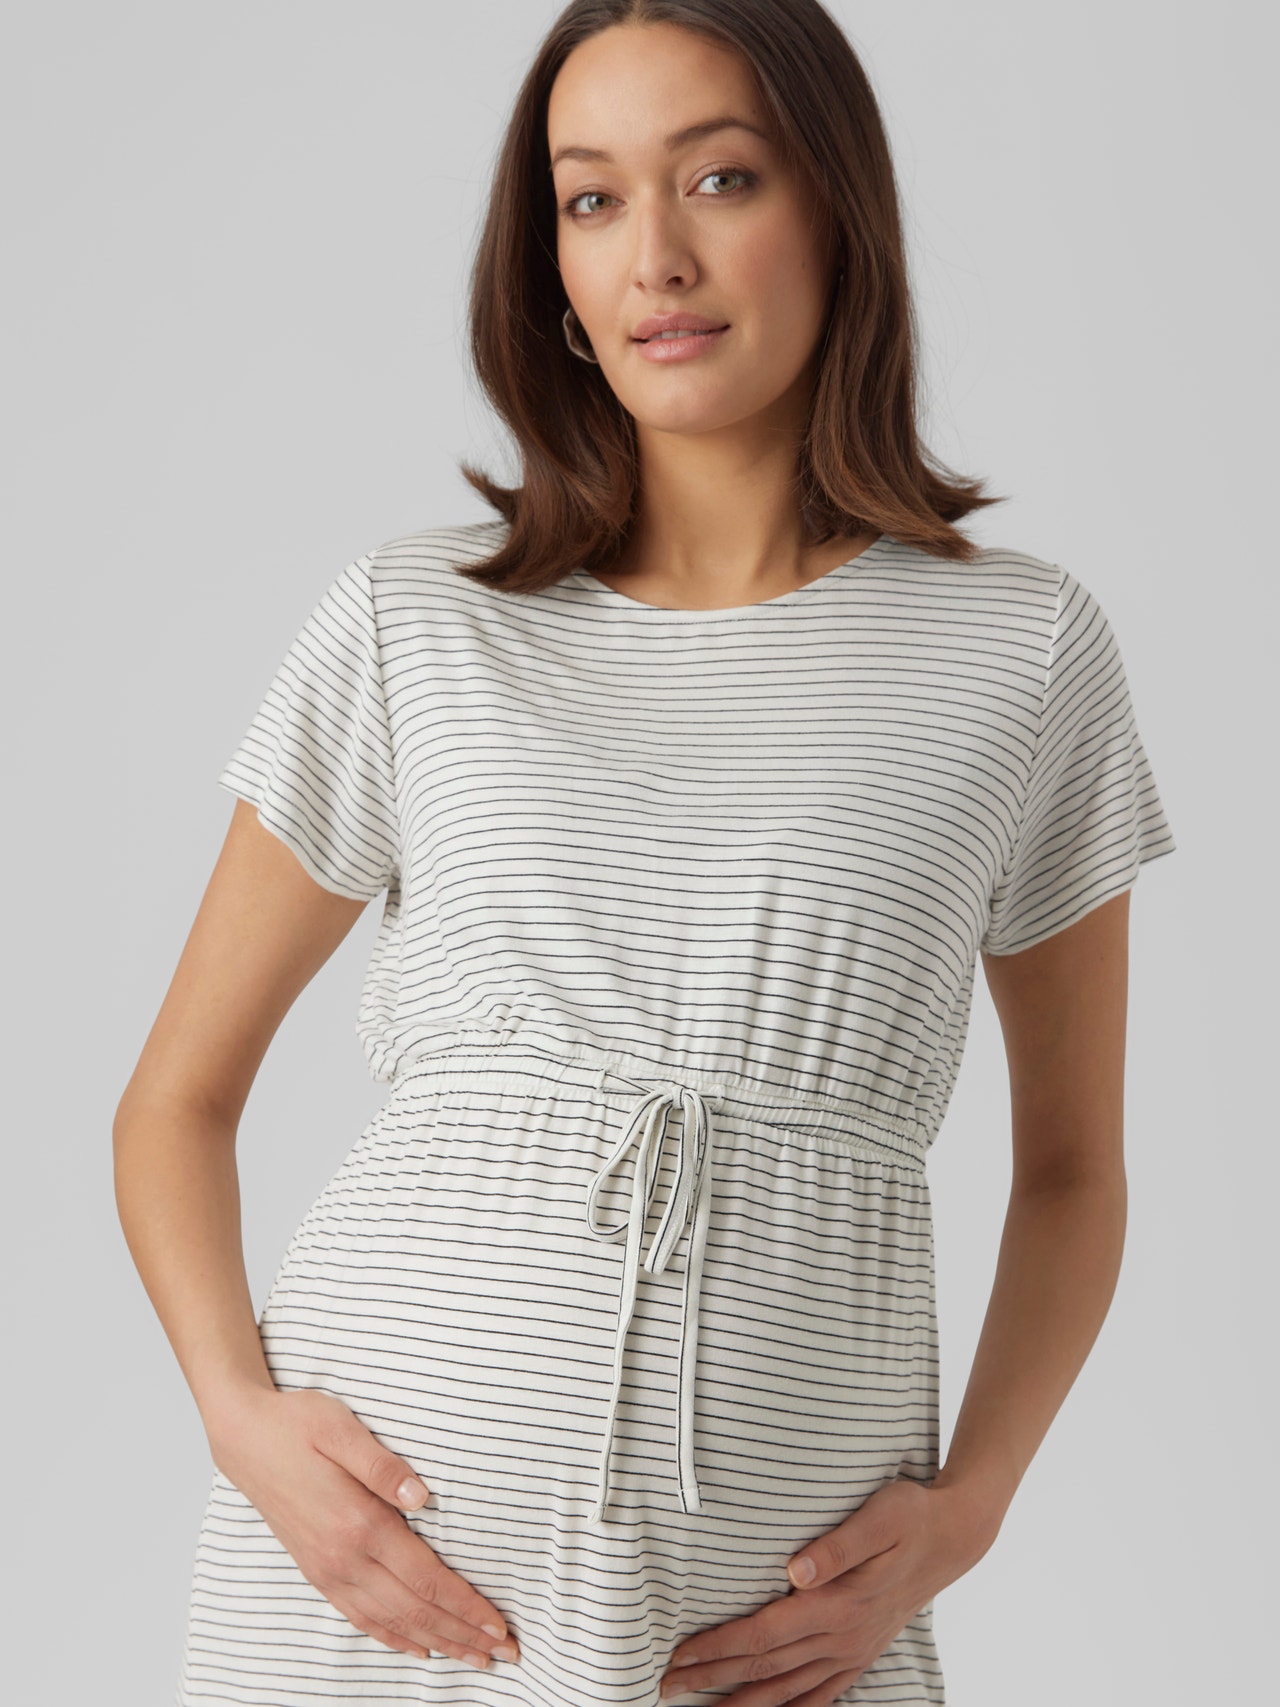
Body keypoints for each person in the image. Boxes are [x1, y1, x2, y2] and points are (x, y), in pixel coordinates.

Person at [114, 3, 1177, 1703]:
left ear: (837, 209)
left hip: (779, 1634)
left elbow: (1073, 1173)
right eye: (592, 198)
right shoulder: (417, 622)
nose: (656, 257)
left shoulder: (1022, 651)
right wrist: (243, 1426)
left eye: (721, 178)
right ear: (549, 265)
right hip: (370, 1591)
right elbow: (174, 1101)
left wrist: (971, 1508)